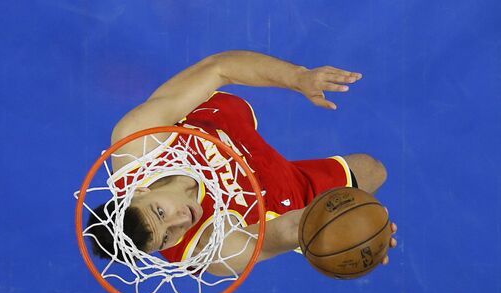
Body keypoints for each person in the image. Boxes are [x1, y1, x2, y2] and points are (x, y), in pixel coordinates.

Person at [88, 51, 397, 275]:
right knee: (373, 169)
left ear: (138, 191)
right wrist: (353, 231)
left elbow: (219, 68)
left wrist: (298, 77)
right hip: (271, 192)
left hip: (222, 129)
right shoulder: (212, 250)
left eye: (160, 212)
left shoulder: (138, 140)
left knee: (211, 98)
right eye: (167, 236)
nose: (180, 219)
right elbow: (288, 231)